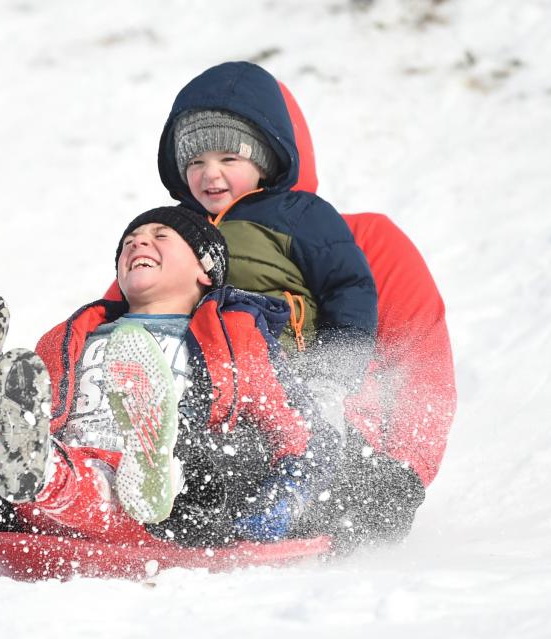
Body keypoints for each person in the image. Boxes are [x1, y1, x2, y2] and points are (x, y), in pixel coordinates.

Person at [0, 206, 339, 561]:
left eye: (160, 235)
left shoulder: (233, 335)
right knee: (9, 451)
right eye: (129, 241)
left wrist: (281, 502)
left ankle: (145, 467)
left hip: (164, 504)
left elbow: (295, 430)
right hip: (54, 475)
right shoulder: (78, 334)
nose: (138, 243)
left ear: (204, 269)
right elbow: (27, 409)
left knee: (189, 470)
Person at [148, 61, 456, 552]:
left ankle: (240, 500)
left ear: (274, 151)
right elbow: (119, 332)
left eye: (232, 155)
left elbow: (420, 368)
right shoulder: (172, 242)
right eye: (198, 158)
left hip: (329, 444)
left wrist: (404, 475)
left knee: (273, 441)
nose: (213, 173)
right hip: (195, 433)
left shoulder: (367, 241)